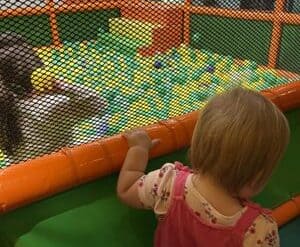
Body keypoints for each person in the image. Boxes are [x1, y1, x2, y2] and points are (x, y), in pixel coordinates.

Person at [117, 87, 289, 246]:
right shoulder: (258, 230)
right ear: (257, 177)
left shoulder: (167, 184)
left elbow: (126, 189)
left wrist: (138, 149)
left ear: (197, 143)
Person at [0, 32, 106, 164]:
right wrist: (62, 86)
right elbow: (100, 104)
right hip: (65, 165)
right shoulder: (53, 104)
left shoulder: (3, 110)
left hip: (21, 172)